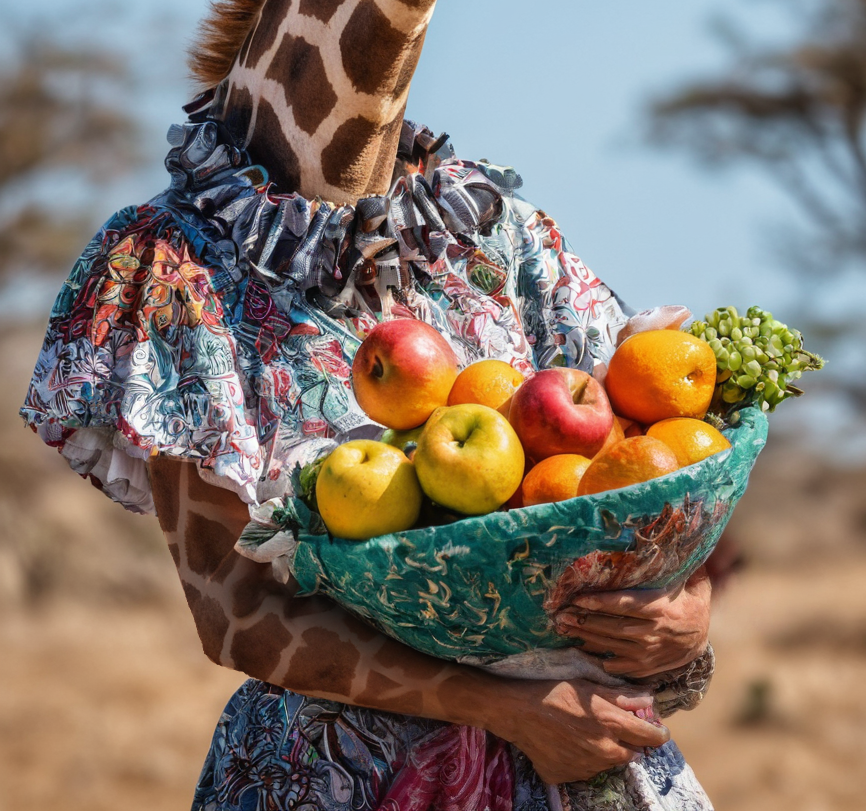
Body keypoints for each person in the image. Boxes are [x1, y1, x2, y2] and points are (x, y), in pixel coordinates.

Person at [23, 114, 714, 809]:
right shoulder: (175, 263)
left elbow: (649, 470)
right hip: (343, 776)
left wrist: (689, 611)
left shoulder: (505, 234)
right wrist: (509, 710)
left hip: (591, 754)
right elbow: (235, 610)